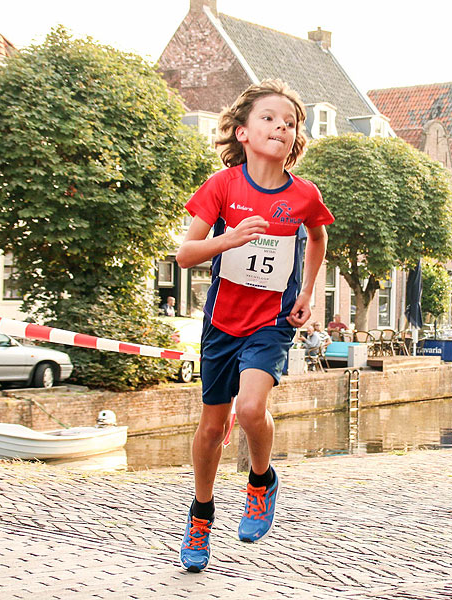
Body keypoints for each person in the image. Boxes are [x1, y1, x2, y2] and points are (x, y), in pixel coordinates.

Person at [175, 79, 333, 572]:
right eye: (269, 118)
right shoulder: (223, 186)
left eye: (290, 123)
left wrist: (307, 292)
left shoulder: (303, 195)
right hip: (222, 322)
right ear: (242, 131)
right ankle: (201, 515)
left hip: (272, 321)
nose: (281, 127)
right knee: (211, 428)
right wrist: (230, 239)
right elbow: (185, 255)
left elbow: (317, 239)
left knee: (249, 408)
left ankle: (261, 481)